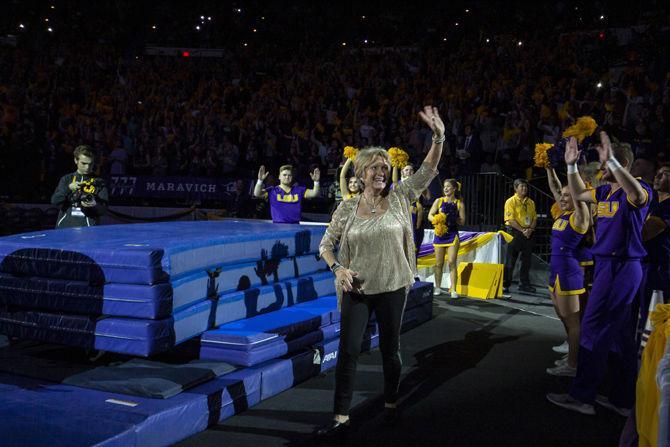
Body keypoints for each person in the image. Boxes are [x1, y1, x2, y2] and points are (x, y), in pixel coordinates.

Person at [316, 106, 445, 436]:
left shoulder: (401, 196)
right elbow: (325, 246)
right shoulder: (347, 207)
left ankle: (390, 402)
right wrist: (338, 269)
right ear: (359, 172)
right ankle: (341, 416)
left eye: (385, 167)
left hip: (392, 286)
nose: (381, 172)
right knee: (348, 352)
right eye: (374, 167)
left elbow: (429, 169)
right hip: (356, 289)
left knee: (391, 349)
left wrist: (438, 137)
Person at [547, 132, 652, 416]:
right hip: (608, 266)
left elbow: (637, 196)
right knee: (619, 336)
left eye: (604, 165)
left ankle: (582, 396)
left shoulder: (640, 188)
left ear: (623, 163)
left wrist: (615, 164)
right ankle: (622, 400)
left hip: (622, 267)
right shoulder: (605, 192)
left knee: (592, 329)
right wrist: (570, 166)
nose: (600, 171)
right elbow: (580, 193)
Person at [543, 147, 590, 377]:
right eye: (561, 195)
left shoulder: (579, 216)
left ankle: (574, 365)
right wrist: (550, 169)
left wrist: (572, 168)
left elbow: (579, 196)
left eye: (567, 195)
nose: (562, 198)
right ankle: (572, 354)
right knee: (563, 318)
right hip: (555, 273)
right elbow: (554, 187)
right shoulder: (561, 213)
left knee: (573, 322)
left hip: (570, 273)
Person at [638, 163, 670, 341]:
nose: (658, 177)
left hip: (659, 270)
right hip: (645, 266)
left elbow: (645, 233)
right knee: (641, 315)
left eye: (665, 174)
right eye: (657, 173)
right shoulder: (653, 204)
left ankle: (650, 360)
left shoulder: (667, 206)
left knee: (653, 317)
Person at [51, 145, 108, 228]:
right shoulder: (67, 179)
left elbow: (104, 210)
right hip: (64, 228)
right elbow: (54, 201)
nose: (87, 167)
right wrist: (69, 188)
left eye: (90, 164)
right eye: (84, 163)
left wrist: (94, 205)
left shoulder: (99, 182)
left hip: (88, 229)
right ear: (76, 160)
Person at [428, 179, 466, 298]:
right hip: (439, 235)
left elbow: (463, 221)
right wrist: (437, 220)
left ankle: (453, 290)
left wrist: (453, 218)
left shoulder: (459, 203)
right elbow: (430, 215)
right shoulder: (438, 201)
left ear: (454, 189)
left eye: (448, 187)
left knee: (451, 262)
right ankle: (438, 287)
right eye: (444, 186)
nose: (445, 188)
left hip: (452, 235)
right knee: (438, 263)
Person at [253, 164, 320, 223]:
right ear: (279, 176)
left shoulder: (299, 190)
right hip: (277, 227)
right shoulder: (272, 190)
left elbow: (314, 193)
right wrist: (260, 181)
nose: (287, 177)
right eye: (284, 175)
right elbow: (257, 193)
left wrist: (316, 182)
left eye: (289, 175)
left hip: (295, 226)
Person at [502, 179, 537, 293]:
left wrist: (530, 229)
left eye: (525, 187)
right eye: (521, 186)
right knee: (510, 259)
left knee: (526, 260)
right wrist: (523, 230)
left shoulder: (530, 202)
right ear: (515, 188)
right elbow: (510, 220)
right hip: (515, 231)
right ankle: (505, 284)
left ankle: (524, 284)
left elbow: (534, 218)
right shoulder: (510, 201)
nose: (524, 189)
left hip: (528, 232)